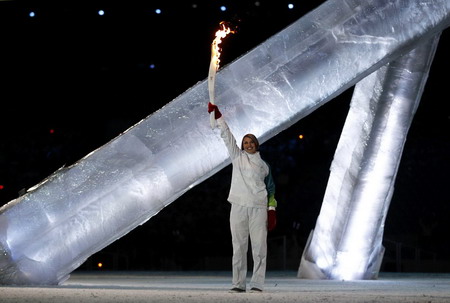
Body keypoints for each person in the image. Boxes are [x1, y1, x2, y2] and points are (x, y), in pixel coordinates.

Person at [208, 102, 277, 293]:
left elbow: (271, 189)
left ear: (256, 144)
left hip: (258, 208)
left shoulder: (264, 165)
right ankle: (238, 284)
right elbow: (226, 136)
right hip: (238, 205)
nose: (248, 145)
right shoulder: (237, 157)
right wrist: (218, 115)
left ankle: (257, 283)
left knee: (259, 248)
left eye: (251, 142)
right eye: (245, 142)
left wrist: (271, 211)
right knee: (238, 247)